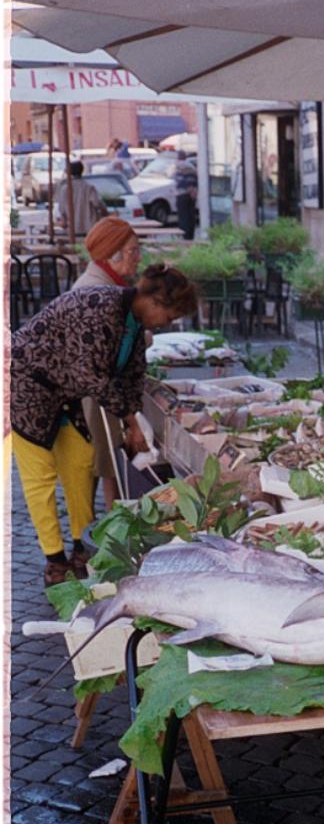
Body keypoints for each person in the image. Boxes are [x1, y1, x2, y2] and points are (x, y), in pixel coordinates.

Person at [10, 264, 198, 587]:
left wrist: (135, 421)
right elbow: (92, 376)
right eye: (168, 318)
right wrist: (129, 421)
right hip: (25, 384)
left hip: (64, 393)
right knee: (39, 476)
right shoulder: (102, 307)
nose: (167, 325)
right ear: (154, 301)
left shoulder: (134, 323)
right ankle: (55, 563)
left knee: (82, 459)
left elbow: (133, 375)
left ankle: (84, 547)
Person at [72, 219, 145, 512]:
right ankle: (106, 533)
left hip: (93, 390)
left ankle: (96, 533)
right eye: (133, 251)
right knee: (106, 463)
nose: (138, 258)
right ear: (112, 254)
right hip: (89, 394)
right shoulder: (96, 291)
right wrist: (131, 421)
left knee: (103, 462)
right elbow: (96, 366)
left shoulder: (107, 283)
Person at [58, 160, 108, 236]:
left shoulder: (65, 189)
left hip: (72, 228)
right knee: (87, 247)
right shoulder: (89, 188)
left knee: (75, 247)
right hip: (89, 227)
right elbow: (97, 203)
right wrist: (104, 211)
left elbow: (61, 209)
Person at [174, 150, 198, 240]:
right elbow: (194, 180)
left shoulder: (179, 167)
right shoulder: (191, 166)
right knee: (191, 216)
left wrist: (189, 190)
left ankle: (185, 236)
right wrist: (193, 191)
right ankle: (190, 235)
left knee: (183, 217)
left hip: (182, 194)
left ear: (178, 158)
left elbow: (181, 182)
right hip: (192, 195)